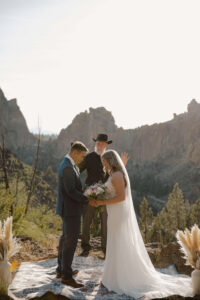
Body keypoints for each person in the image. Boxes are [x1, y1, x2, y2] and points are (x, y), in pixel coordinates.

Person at [89, 150, 193, 299]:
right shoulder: (114, 174)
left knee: (119, 241)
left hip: (118, 213)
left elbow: (121, 197)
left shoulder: (117, 175)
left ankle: (122, 277)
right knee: (115, 241)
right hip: (114, 214)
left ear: (110, 161)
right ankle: (114, 275)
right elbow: (113, 190)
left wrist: (100, 201)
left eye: (104, 161)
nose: (103, 164)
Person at [78, 133, 129, 257]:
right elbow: (78, 170)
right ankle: (85, 247)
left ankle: (105, 249)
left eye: (101, 143)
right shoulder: (89, 157)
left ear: (106, 145)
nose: (99, 145)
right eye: (97, 143)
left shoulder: (110, 159)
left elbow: (116, 174)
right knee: (86, 221)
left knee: (105, 222)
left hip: (106, 196)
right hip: (90, 194)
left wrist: (122, 165)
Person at [55, 141, 89, 288]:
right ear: (75, 152)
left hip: (67, 209)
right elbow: (71, 191)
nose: (82, 159)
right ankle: (67, 277)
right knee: (70, 242)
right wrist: (86, 198)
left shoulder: (68, 164)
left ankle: (61, 269)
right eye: (81, 156)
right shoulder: (68, 167)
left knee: (65, 239)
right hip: (70, 210)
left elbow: (72, 188)